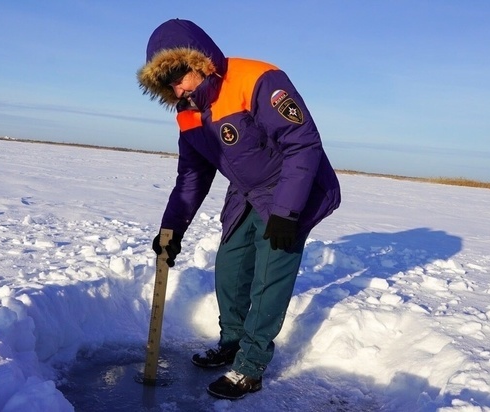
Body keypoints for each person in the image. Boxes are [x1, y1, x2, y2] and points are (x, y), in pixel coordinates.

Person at [137, 18, 340, 400]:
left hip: (293, 189)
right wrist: (172, 230)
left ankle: (250, 367)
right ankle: (232, 341)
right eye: (167, 84)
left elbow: (303, 143)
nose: (176, 87)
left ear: (197, 60)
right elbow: (191, 177)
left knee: (269, 277)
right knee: (230, 268)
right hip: (247, 191)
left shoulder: (257, 79)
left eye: (178, 74)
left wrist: (286, 212)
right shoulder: (188, 111)